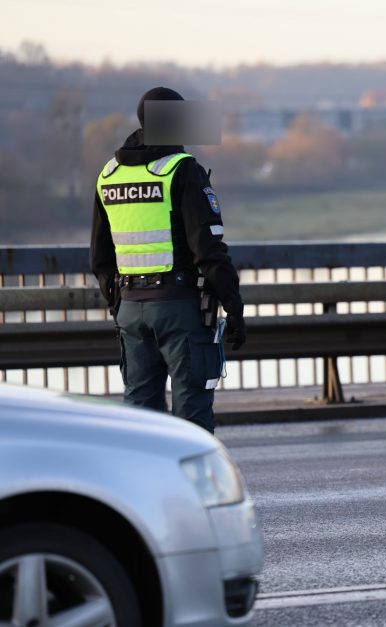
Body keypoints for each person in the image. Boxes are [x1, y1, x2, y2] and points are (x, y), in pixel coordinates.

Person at [90, 87, 246, 433]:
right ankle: (190, 488)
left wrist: (120, 301)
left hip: (130, 308)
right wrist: (233, 306)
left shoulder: (110, 174)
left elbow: (99, 258)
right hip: (179, 309)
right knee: (191, 412)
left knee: (140, 413)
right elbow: (208, 250)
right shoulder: (182, 169)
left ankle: (139, 484)